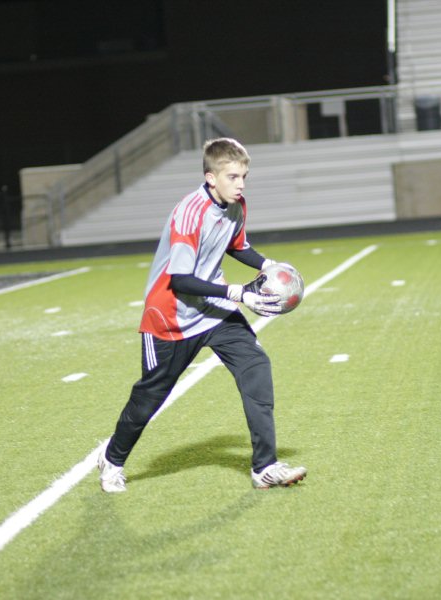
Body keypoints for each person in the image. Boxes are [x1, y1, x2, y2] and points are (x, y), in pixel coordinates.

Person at [97, 137, 307, 493]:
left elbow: (236, 245)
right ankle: (112, 459)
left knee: (256, 368)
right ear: (211, 178)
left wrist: (267, 265)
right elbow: (179, 280)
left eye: (244, 176)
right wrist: (237, 292)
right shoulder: (189, 213)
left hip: (213, 310)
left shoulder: (236, 204)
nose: (240, 184)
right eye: (233, 177)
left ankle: (265, 467)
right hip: (170, 316)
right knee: (151, 395)